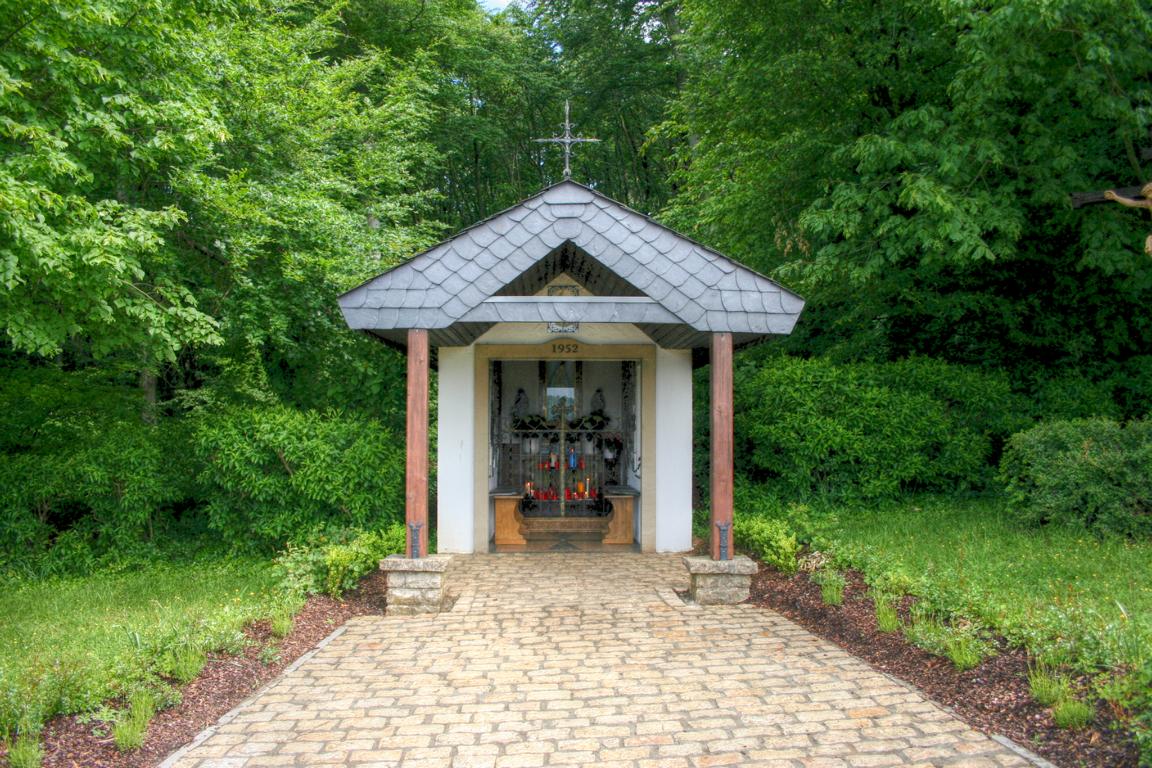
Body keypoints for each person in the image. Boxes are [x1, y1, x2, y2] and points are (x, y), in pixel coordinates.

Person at [1103, 181, 1152, 255]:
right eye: (1148, 197)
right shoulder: (1149, 204)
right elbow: (1131, 203)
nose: (1149, 198)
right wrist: (1116, 197)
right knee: (1149, 241)